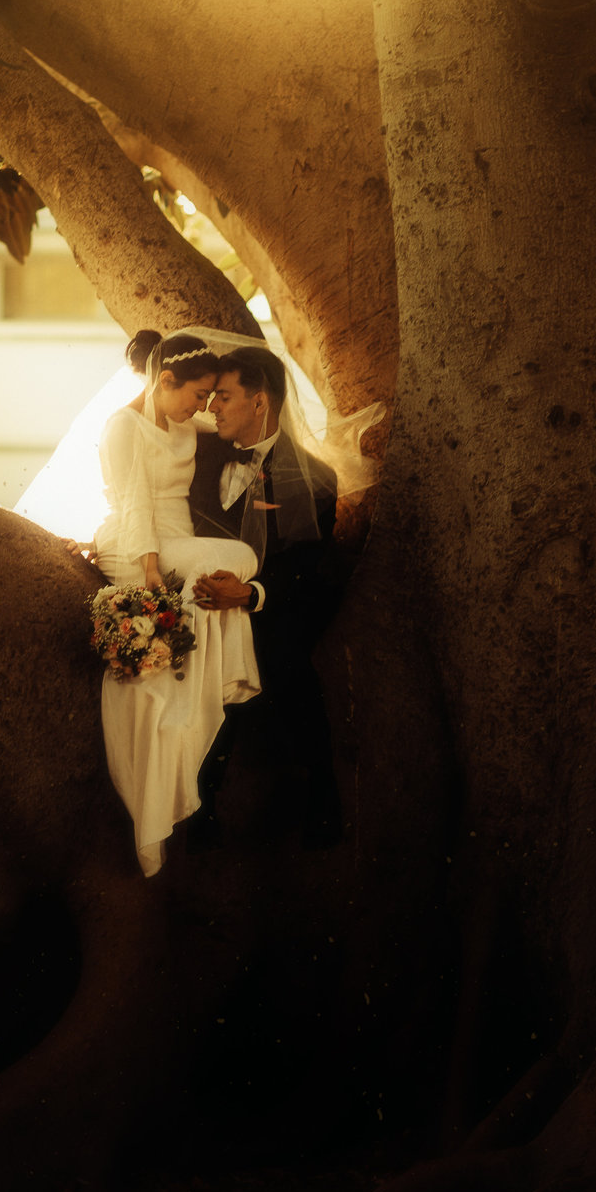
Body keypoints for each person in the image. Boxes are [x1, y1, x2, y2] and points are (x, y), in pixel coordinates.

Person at [92, 329, 264, 876]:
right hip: (139, 546)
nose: (204, 406)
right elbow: (135, 505)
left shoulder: (185, 419)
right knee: (240, 559)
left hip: (178, 543)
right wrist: (149, 575)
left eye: (209, 397)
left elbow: (244, 426)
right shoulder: (124, 427)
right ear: (164, 382)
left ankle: (210, 680)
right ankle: (212, 678)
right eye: (197, 395)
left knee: (234, 563)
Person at [186, 345, 344, 848]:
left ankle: (319, 802)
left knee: (285, 663)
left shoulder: (315, 479)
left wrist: (250, 594)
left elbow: (307, 569)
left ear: (260, 403)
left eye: (224, 397)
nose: (212, 408)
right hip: (192, 599)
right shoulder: (196, 452)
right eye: (210, 397)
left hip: (263, 613)